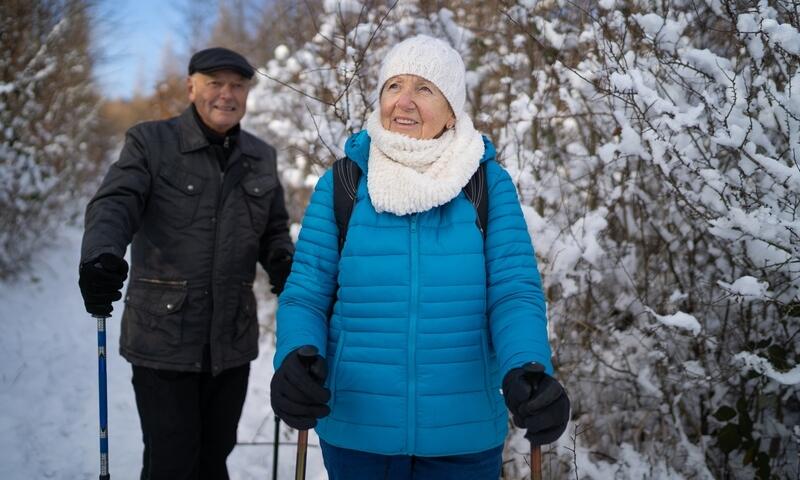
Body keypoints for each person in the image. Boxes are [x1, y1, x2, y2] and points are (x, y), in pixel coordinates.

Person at [270, 35, 570, 479]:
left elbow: (513, 293)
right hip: (357, 429)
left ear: (452, 111)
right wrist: (295, 356)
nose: (404, 102)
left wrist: (528, 368)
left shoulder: (486, 183)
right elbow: (306, 293)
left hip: (461, 434)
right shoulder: (344, 183)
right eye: (394, 86)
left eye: (424, 89)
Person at [78, 47, 294, 480]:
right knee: (171, 461)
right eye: (215, 82)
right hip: (163, 337)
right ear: (191, 85)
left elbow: (273, 228)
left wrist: (281, 259)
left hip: (230, 340)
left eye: (238, 85)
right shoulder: (150, 142)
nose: (226, 94)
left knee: (214, 458)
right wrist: (101, 254)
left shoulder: (261, 156)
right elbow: (117, 202)